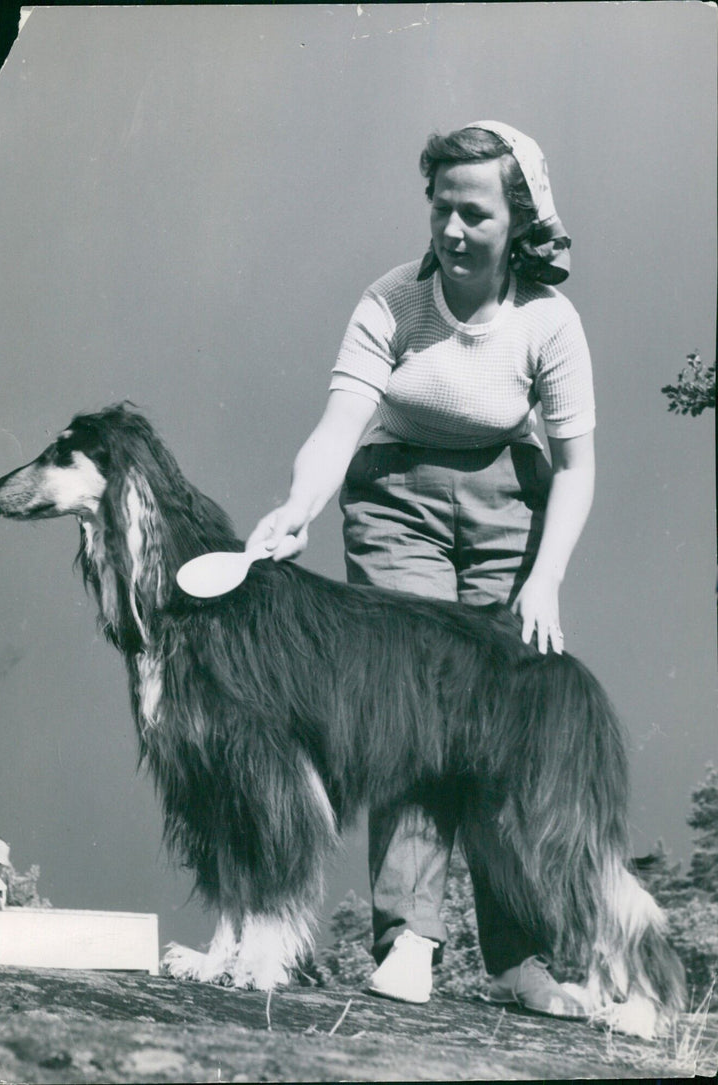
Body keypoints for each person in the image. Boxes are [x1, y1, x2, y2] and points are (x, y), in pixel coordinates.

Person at [247, 121, 595, 1016]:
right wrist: (299, 508)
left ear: (516, 216)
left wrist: (545, 577)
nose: (451, 229)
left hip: (512, 509)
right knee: (409, 715)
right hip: (396, 499)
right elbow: (339, 427)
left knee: (507, 726)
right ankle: (409, 939)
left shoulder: (549, 320)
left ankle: (523, 960)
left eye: (473, 212)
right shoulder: (392, 301)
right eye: (440, 207)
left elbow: (578, 466)